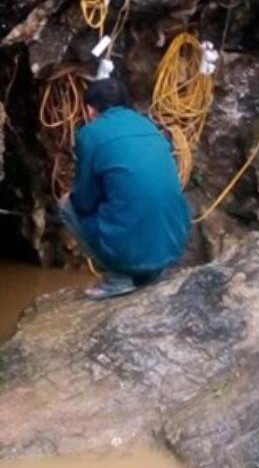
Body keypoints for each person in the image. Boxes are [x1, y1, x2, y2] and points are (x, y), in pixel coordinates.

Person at [59, 75, 192, 300]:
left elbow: (83, 199)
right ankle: (151, 271)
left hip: (130, 246)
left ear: (91, 111)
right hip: (173, 244)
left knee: (66, 205)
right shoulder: (148, 125)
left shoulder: (90, 134)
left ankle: (119, 278)